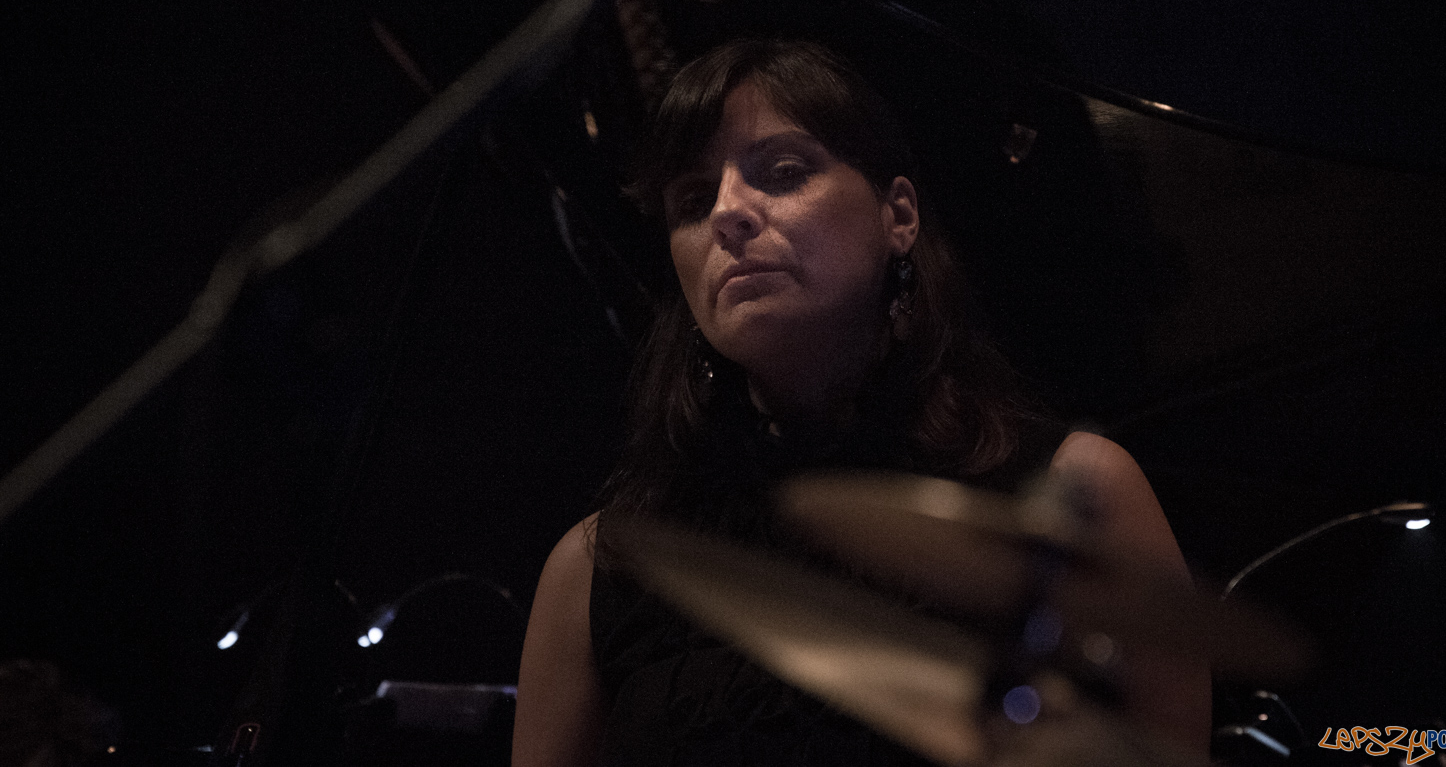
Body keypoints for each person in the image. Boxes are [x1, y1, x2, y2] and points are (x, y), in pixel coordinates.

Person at [512, 40, 1209, 766]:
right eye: (692, 200)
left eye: (783, 172)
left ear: (897, 214)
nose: (726, 213)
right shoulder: (595, 569)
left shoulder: (1080, 492)